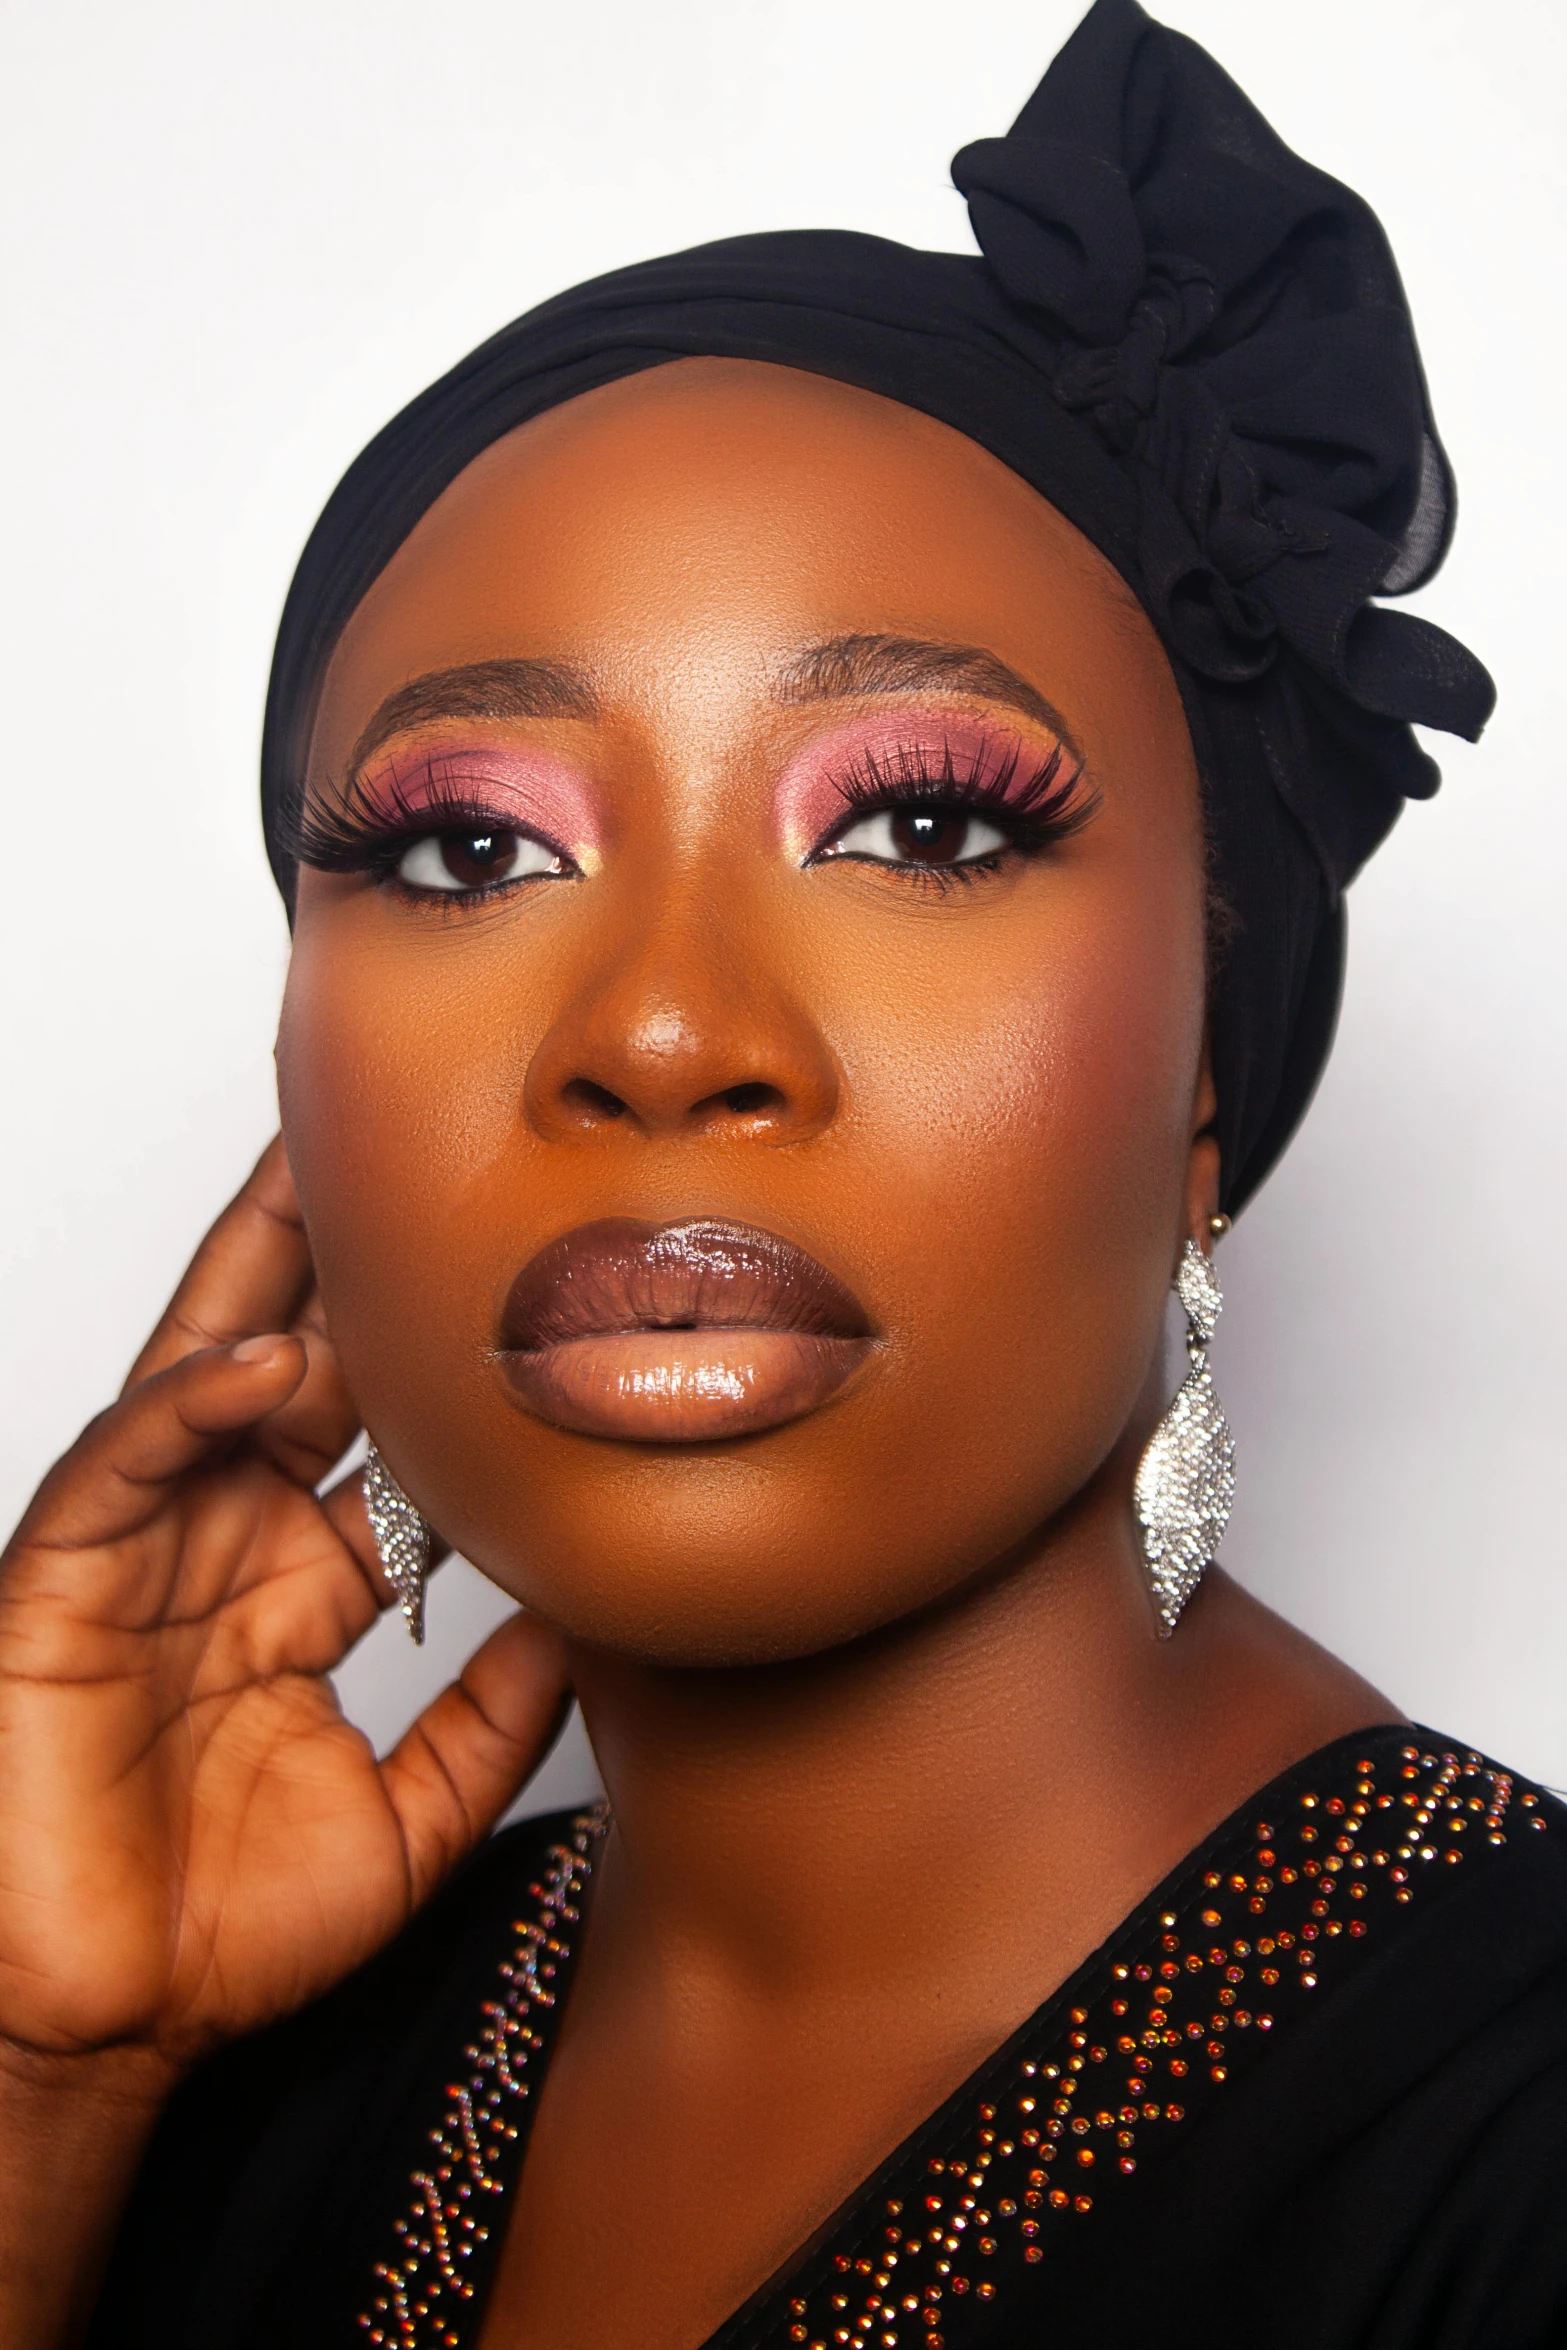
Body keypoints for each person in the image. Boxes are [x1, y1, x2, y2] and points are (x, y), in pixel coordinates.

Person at [3, 3, 1562, 2345]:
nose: (654, 1031)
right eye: (464, 847)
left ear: (1206, 1088)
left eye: (924, 824)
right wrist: (53, 2083)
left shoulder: (1510, 2135)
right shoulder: (251, 2054)